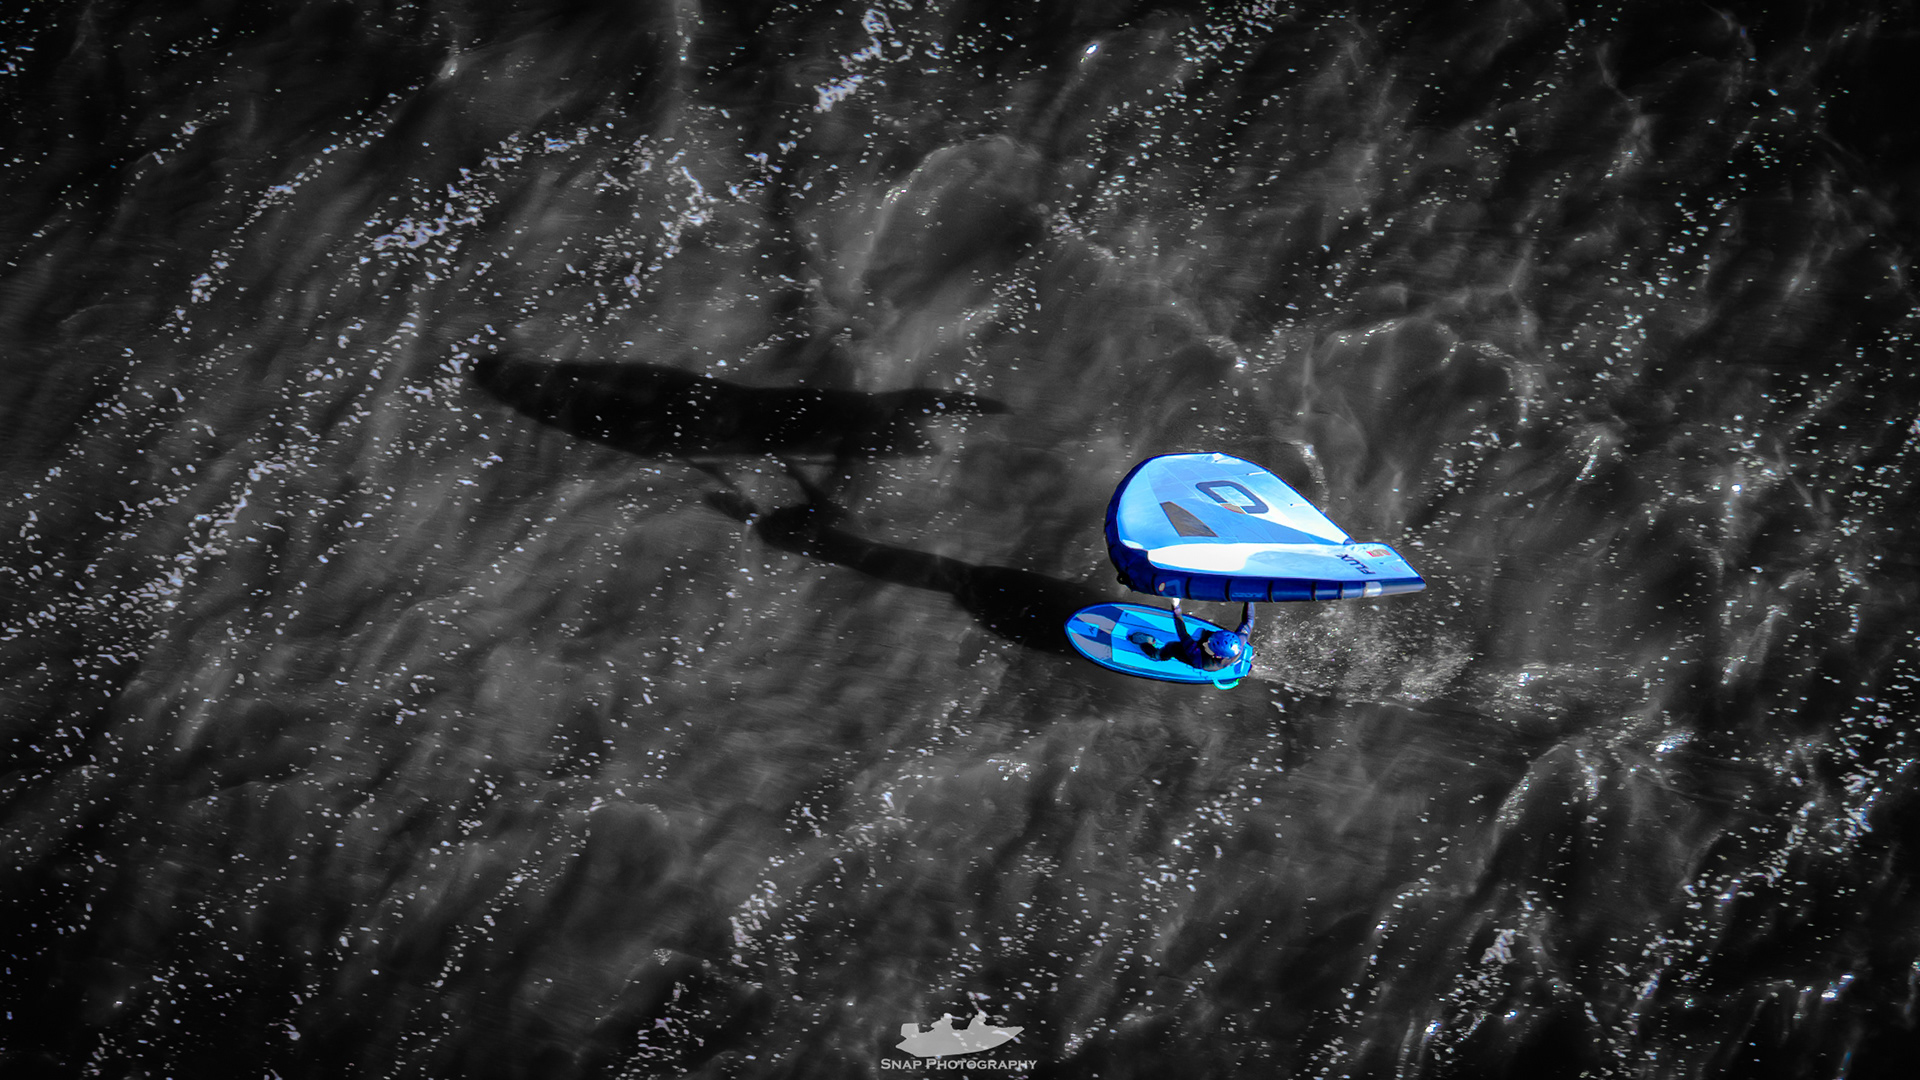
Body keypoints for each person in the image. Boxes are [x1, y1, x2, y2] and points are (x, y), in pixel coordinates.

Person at [1130, 598, 1254, 672]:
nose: (1206, 642)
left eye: (1208, 644)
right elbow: (1248, 621)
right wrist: (1249, 597)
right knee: (1205, 633)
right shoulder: (1240, 641)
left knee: (1172, 647)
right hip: (1221, 656)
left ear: (1215, 655)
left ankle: (1153, 652)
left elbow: (1183, 634)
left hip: (1201, 661)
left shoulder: (1197, 655)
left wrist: (1176, 607)